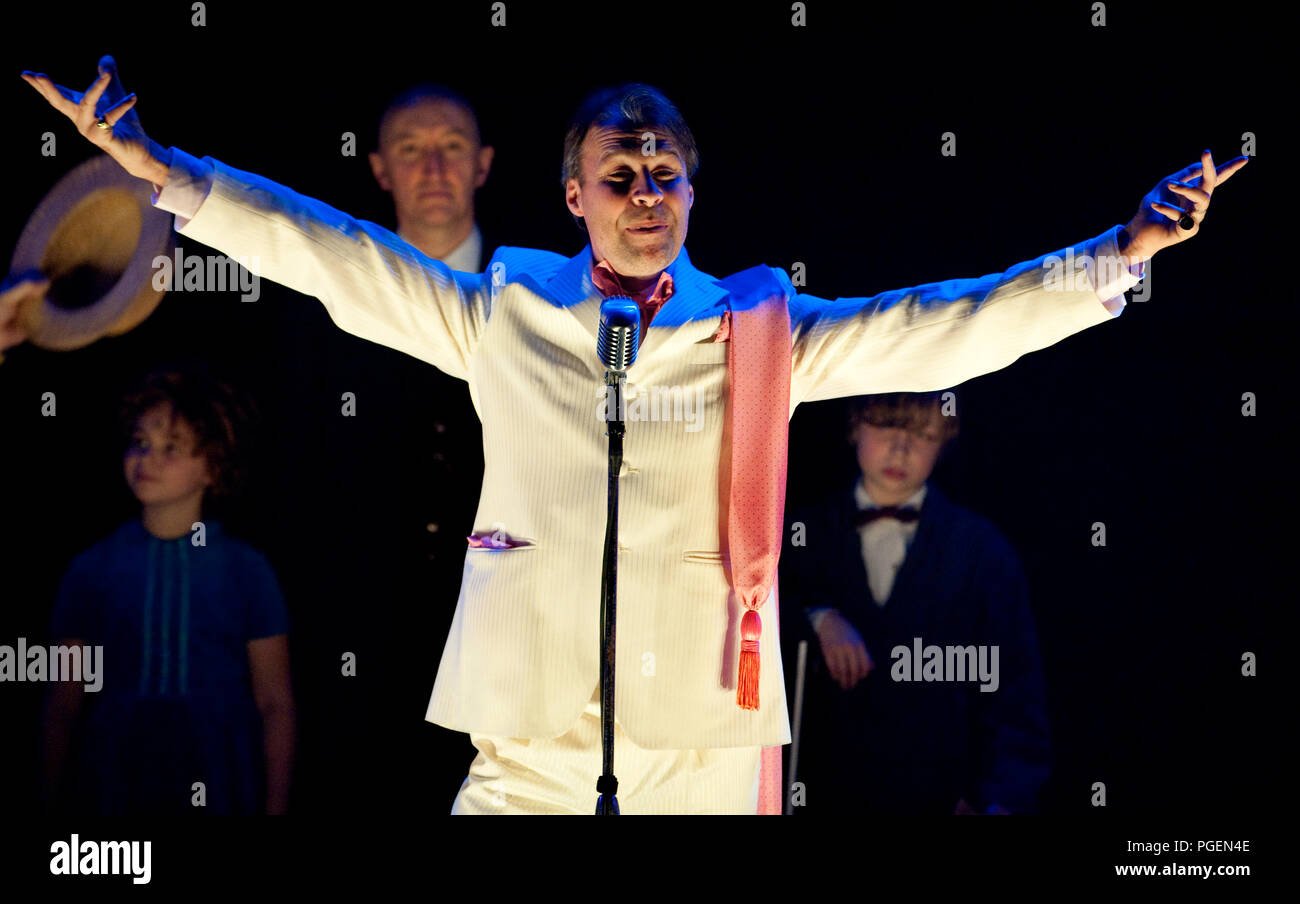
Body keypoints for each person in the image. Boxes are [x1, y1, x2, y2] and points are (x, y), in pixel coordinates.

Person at [21, 57, 1245, 814]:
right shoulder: (506, 307)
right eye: (622, 173)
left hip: (700, 735)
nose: (647, 191)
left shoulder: (759, 323)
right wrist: (161, 170)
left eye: (666, 173)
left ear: (695, 192)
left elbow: (936, 328)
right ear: (574, 195)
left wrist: (1113, 259)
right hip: (531, 727)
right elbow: (335, 256)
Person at [41, 363, 295, 815]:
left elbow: (274, 704)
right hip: (113, 780)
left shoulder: (247, 571)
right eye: (140, 443)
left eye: (172, 447)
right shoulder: (91, 568)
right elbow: (63, 702)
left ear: (213, 467)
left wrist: (275, 808)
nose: (148, 458)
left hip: (217, 777)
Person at [780, 391, 1049, 815]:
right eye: (886, 425)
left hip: (937, 799)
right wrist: (816, 618)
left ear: (946, 439)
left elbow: (1016, 694)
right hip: (822, 793)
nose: (900, 448)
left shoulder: (981, 551)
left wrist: (997, 801)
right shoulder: (796, 534)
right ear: (854, 427)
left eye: (922, 433)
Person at [368, 83, 495, 270]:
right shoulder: (336, 289)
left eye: (452, 146)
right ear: (381, 169)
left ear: (482, 164)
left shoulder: (542, 285)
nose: (434, 171)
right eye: (410, 149)